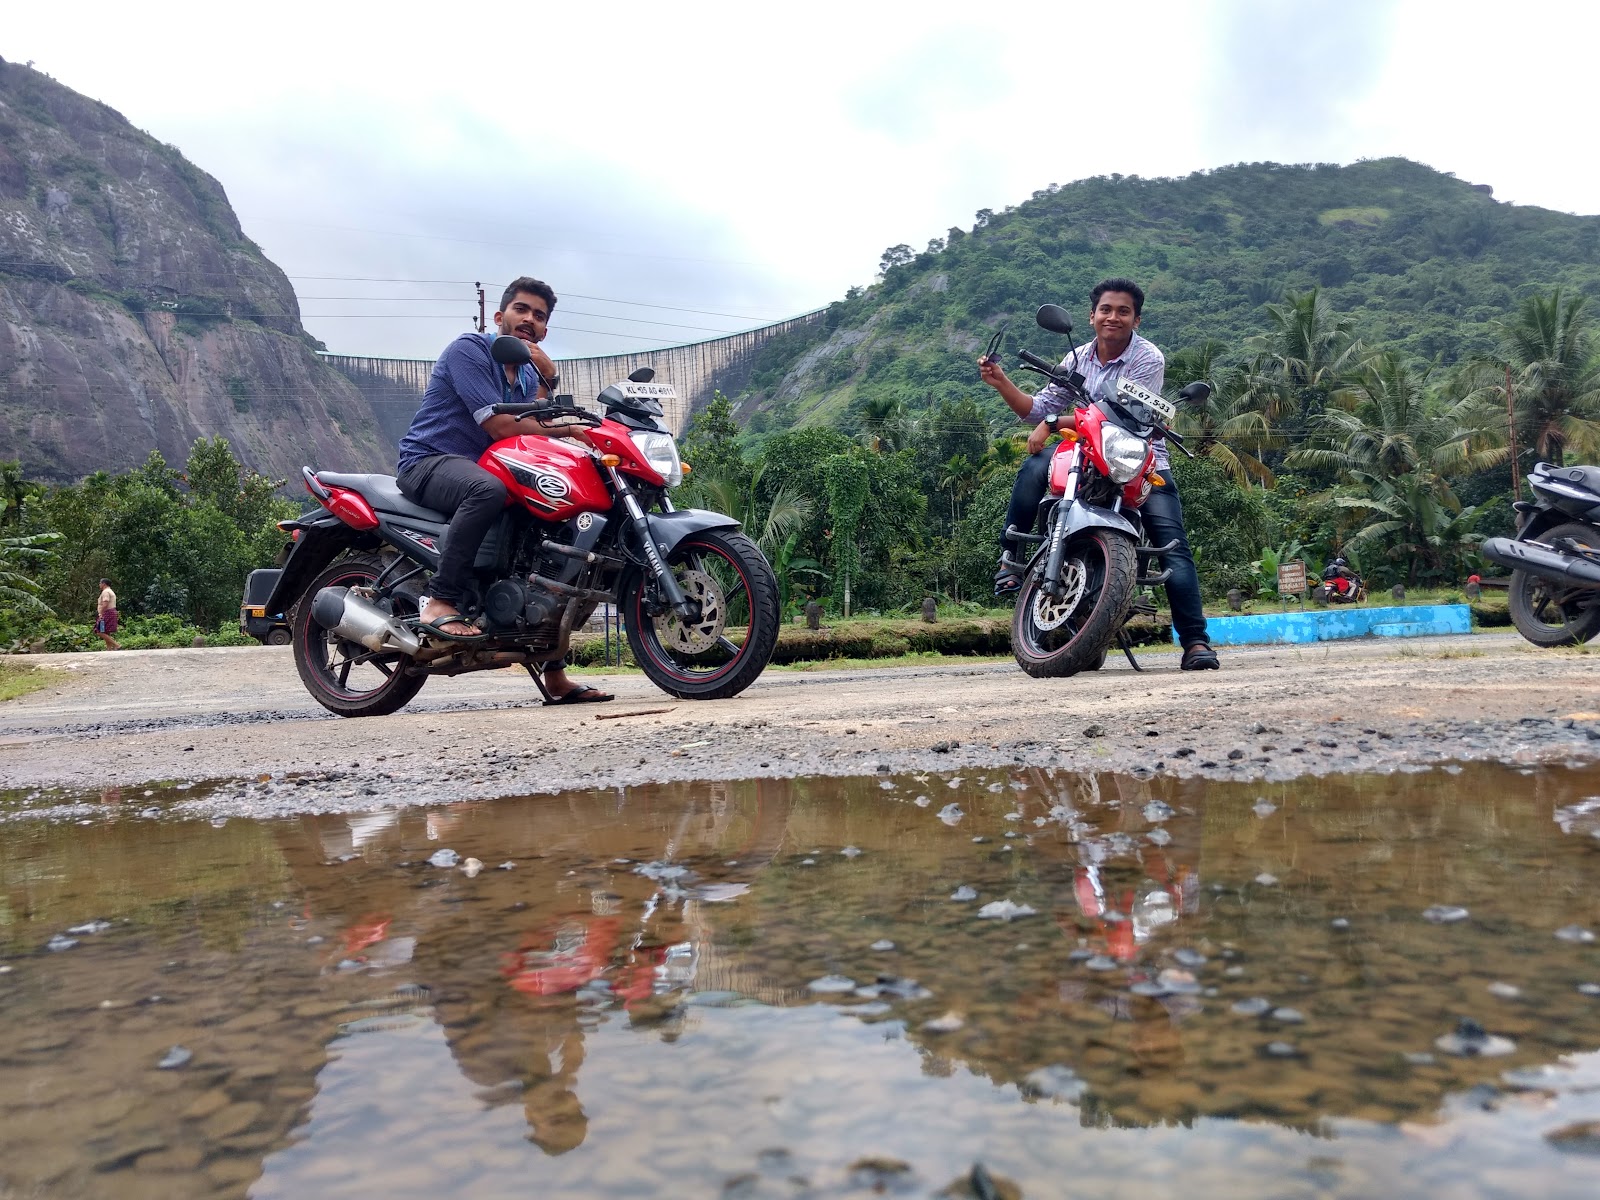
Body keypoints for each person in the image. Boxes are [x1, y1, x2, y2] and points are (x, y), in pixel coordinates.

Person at [977, 278, 1220, 671]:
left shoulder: (1148, 359)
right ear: (1091, 316)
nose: (1113, 317)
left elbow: (1123, 414)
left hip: (1138, 459)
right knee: (1035, 466)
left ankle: (1195, 643)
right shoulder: (1076, 360)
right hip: (1085, 454)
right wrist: (1003, 382)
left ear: (1136, 320)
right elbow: (1037, 409)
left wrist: (1056, 422)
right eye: (1106, 310)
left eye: (1123, 311)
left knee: (1172, 545)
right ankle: (1011, 557)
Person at [396, 277, 611, 703]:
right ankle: (439, 601)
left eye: (539, 316)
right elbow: (499, 425)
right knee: (487, 491)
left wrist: (550, 377)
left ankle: (554, 673)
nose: (529, 320)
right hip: (429, 461)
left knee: (551, 537)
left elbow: (539, 425)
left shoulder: (529, 372)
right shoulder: (470, 350)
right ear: (499, 317)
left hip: (484, 468)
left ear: (545, 331)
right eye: (521, 310)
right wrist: (572, 428)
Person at [94, 577, 121, 651]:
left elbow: (105, 603)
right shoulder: (110, 591)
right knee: (105, 631)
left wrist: (101, 612)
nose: (99, 585)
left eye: (100, 583)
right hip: (110, 612)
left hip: (107, 612)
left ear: (104, 584)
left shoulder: (106, 592)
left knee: (99, 631)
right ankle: (109, 648)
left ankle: (116, 644)